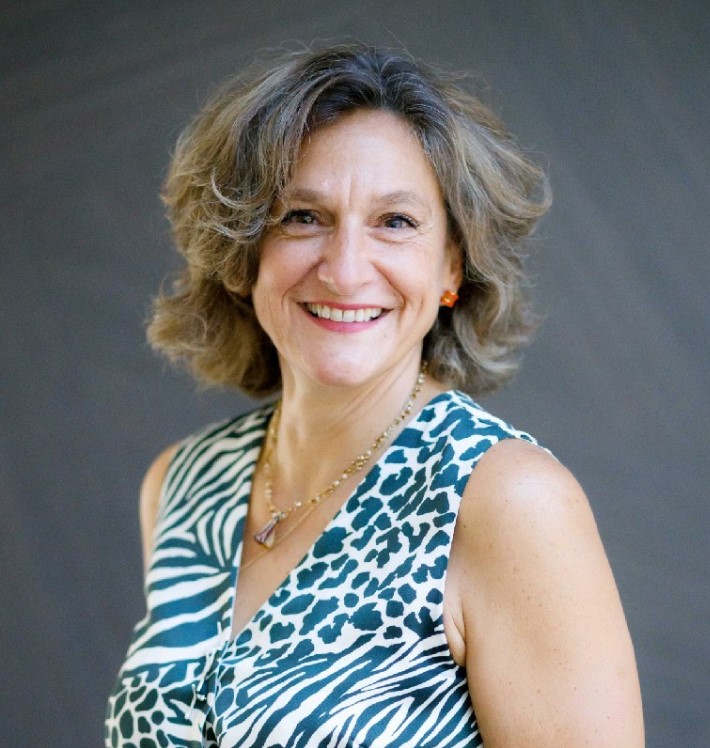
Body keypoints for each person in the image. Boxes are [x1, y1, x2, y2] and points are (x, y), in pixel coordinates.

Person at [105, 44, 643, 747]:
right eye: (303, 216)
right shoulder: (181, 484)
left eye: (395, 222)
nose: (345, 270)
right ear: (243, 251)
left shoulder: (507, 501)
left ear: (452, 266)